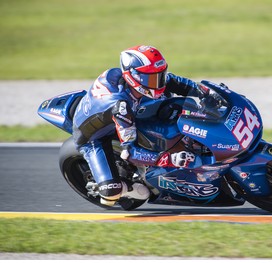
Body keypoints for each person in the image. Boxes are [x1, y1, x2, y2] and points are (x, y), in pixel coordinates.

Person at [72, 45, 215, 206]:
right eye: (153, 78)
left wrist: (204, 92)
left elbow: (172, 81)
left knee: (173, 107)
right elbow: (130, 152)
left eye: (160, 75)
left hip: (128, 109)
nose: (159, 82)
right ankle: (127, 186)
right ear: (134, 77)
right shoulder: (121, 107)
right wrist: (169, 159)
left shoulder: (137, 81)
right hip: (94, 138)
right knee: (110, 194)